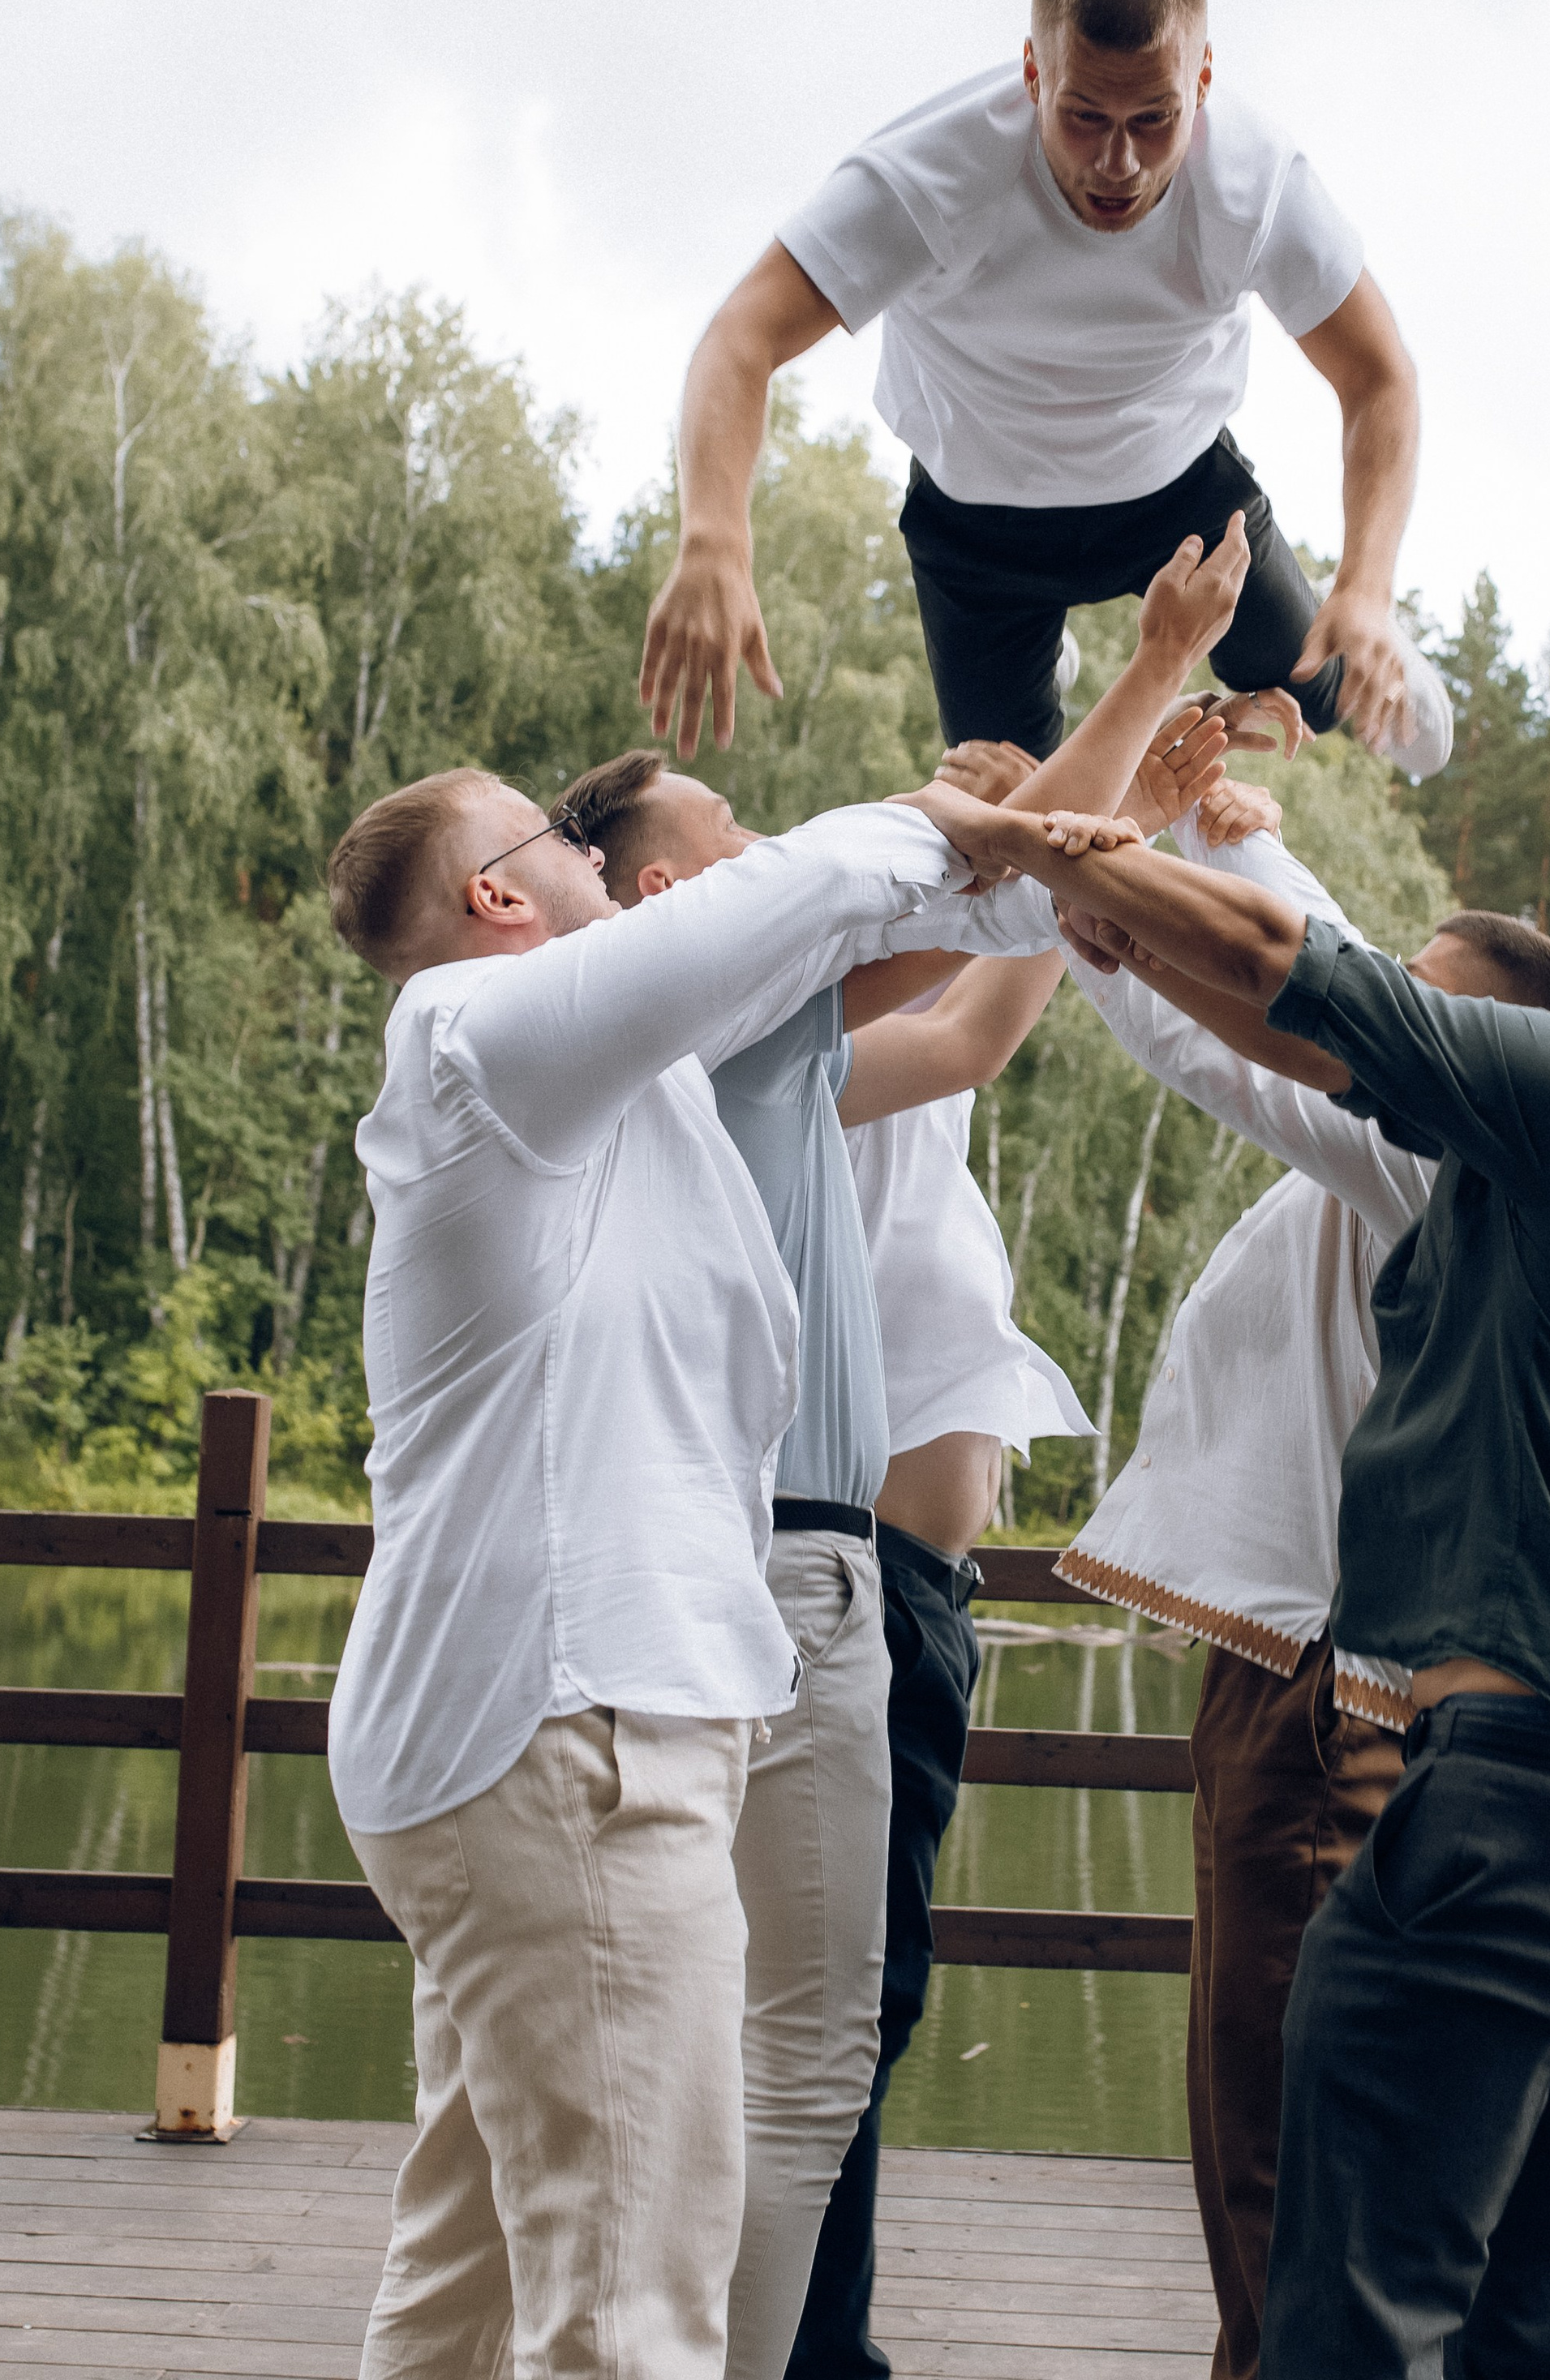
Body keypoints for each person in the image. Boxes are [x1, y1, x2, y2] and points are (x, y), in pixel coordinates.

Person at [904, 795, 1550, 2380]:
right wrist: (1130, 942)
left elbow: (1290, 957)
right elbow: (1308, 1046)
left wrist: (1024, 838)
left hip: (1519, 1810)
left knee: (1347, 2317)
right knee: (1517, 2334)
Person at [555, 529, 1252, 2380]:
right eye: (731, 826)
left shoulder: (776, 1044)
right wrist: (1136, 697)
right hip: (810, 1562)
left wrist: (1109, 818)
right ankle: (788, 2349)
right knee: (807, 2020)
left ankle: (760, 2338)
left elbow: (978, 991)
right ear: (656, 886)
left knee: (812, 2015)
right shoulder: (718, 1004)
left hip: (860, 1581)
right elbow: (968, 927)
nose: (770, 839)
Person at [320, 764, 1090, 2380]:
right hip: (569, 1739)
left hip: (540, 1735)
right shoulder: (474, 1035)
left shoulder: (613, 1081)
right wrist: (948, 819)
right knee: (633, 2301)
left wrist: (1069, 847)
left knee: (470, 2272)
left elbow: (903, 936)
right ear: (496, 895)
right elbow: (776, 904)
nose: (593, 853)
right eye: (556, 834)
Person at [1058, 805, 1550, 2380]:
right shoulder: (1415, 1151)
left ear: (1477, 1046)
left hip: (1335, 1686)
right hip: (1306, 1659)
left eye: (1419, 999)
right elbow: (1281, 986)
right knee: (1300, 2114)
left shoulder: (1428, 1154)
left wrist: (1124, 868)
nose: (1374, 1009)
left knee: (1282, 2122)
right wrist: (1189, 854)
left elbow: (1267, 1011)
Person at [639, 0, 1431, 765]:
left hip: (1176, 489)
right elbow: (741, 337)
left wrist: (1368, 587)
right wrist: (713, 540)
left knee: (1317, 693)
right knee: (1010, 810)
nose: (1118, 162)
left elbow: (1378, 375)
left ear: (1202, 80)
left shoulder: (1258, 184)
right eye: (1085, 116)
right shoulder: (933, 174)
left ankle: (1392, 661)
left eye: (1154, 119)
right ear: (1032, 74)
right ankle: (1044, 658)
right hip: (979, 520)